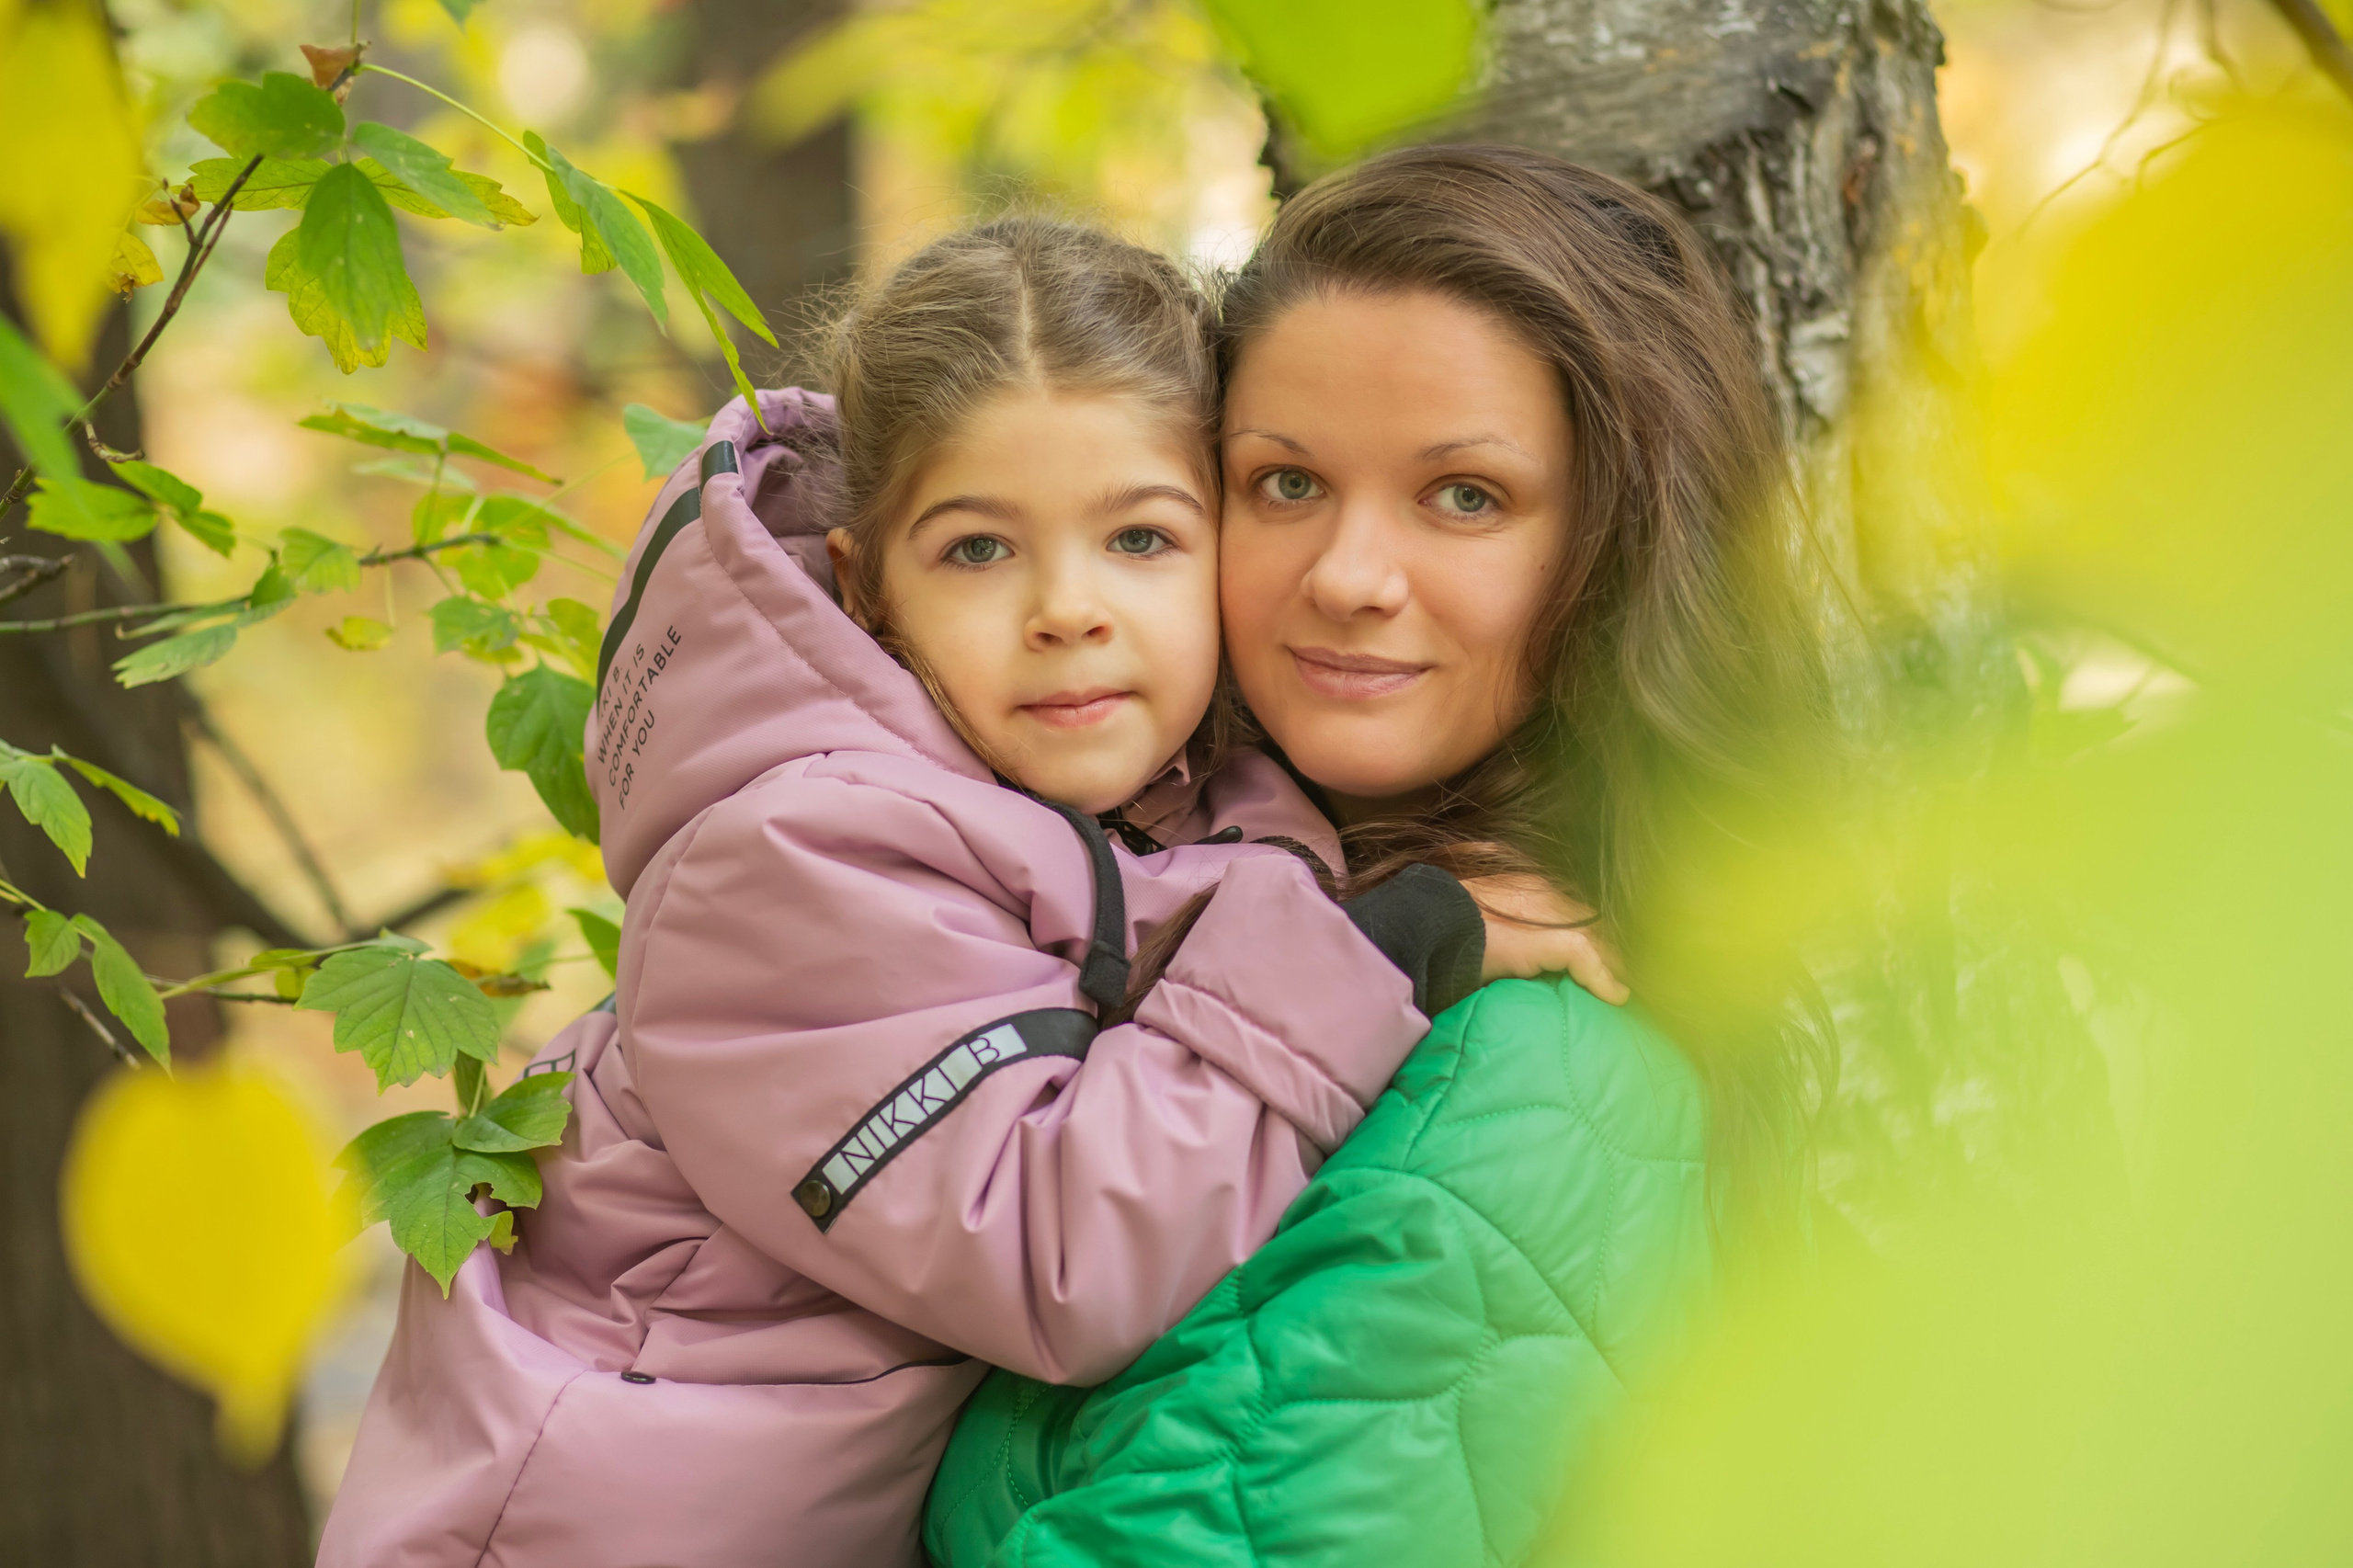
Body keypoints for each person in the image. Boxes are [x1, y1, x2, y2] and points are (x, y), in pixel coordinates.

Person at [318, 218, 1609, 1568]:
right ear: (871, 593)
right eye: (980, 551)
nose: (1069, 607)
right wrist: (1395, 945)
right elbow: (1062, 1253)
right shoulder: (792, 863)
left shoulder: (1150, 793)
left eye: (1142, 538)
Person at [926, 145, 1829, 1567]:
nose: (1350, 573)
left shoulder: (1524, 1081)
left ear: (1615, 547)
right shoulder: (1143, 915)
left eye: (1465, 497)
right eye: (1285, 483)